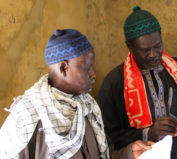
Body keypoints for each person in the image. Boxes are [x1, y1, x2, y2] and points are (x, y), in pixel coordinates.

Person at [0, 29, 152, 159]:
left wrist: (129, 153)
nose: (93, 74)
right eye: (87, 68)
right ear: (64, 68)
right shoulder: (27, 117)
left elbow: (102, 154)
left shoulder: (87, 106)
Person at [98, 6, 177, 159]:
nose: (153, 54)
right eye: (145, 50)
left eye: (157, 46)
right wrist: (148, 133)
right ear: (129, 47)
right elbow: (108, 138)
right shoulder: (114, 83)